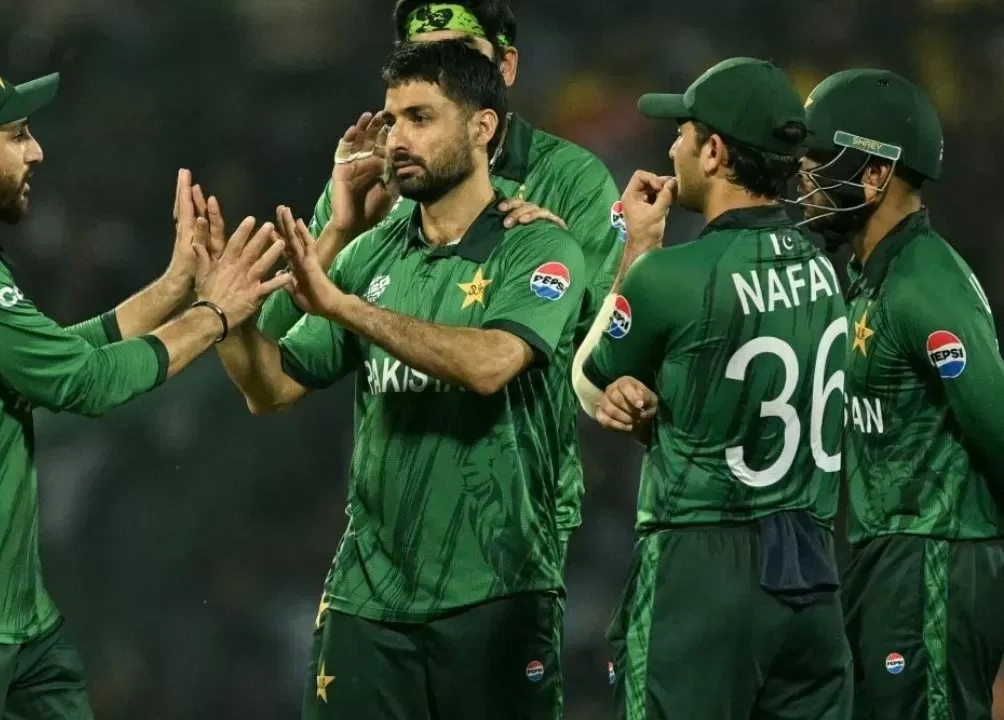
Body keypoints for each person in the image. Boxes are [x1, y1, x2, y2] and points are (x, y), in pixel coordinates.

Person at [0, 64, 288, 720]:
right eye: (17, 136)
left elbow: (55, 357)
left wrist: (176, 286)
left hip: (4, 606)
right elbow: (83, 383)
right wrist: (214, 316)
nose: (37, 152)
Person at [210, 40, 584, 719]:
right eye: (391, 120)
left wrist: (347, 308)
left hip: (497, 591)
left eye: (421, 118)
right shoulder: (370, 254)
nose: (397, 139)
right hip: (368, 600)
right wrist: (226, 317)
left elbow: (490, 364)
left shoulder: (537, 245)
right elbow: (271, 389)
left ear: (483, 127)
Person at [252, 0, 623, 563]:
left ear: (504, 67)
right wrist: (341, 230)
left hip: (514, 519)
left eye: (457, 53)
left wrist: (553, 256)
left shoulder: (571, 180)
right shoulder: (376, 174)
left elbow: (606, 353)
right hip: (388, 514)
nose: (435, 70)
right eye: (419, 57)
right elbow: (273, 342)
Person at [571, 58, 852, 719]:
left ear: (715, 152)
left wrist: (637, 248)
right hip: (812, 568)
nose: (671, 148)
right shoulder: (824, 271)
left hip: (703, 563)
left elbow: (590, 381)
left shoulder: (672, 275)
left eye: (682, 133)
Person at [796, 68, 1004, 718]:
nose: (805, 178)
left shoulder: (924, 284)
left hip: (935, 558)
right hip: (895, 556)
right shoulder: (871, 276)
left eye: (821, 161)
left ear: (875, 174)